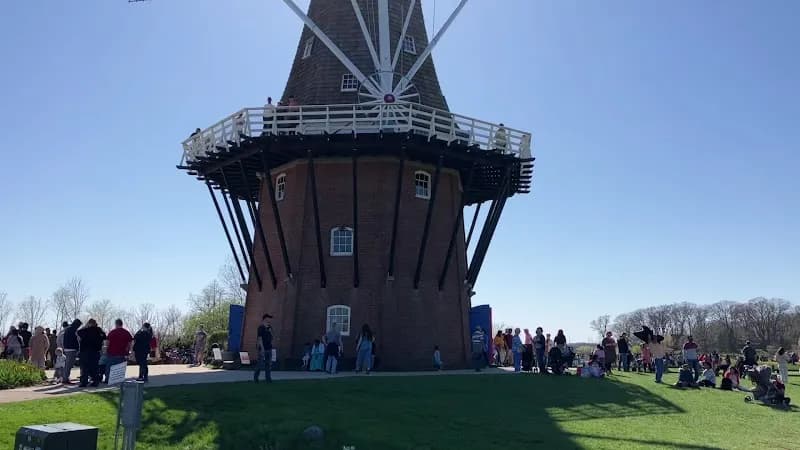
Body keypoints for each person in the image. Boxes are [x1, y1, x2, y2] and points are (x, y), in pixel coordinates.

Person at [77, 319, 105, 387]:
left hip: (85, 351)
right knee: (94, 367)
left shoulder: (85, 330)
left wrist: (85, 326)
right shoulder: (99, 330)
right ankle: (95, 381)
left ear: (89, 323)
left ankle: (84, 382)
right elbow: (104, 336)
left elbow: (78, 332)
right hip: (95, 351)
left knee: (85, 367)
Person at [254, 314, 273, 383]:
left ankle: (268, 379)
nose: (270, 321)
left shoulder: (269, 327)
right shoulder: (261, 328)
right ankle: (256, 378)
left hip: (269, 348)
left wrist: (270, 331)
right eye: (268, 319)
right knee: (260, 364)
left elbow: (272, 337)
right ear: (265, 319)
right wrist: (262, 349)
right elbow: (260, 339)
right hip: (262, 348)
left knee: (268, 364)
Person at [62, 319, 82, 384]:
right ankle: (65, 379)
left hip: (67, 348)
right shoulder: (73, 330)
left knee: (68, 364)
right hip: (71, 349)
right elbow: (76, 339)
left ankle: (65, 377)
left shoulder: (68, 329)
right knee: (69, 365)